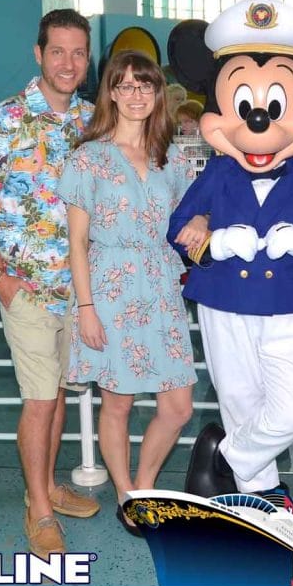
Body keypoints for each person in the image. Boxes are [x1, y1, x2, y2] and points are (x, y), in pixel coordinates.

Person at [166, 0, 293, 521]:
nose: (258, 121)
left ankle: (224, 459)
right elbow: (177, 229)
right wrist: (210, 241)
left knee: (292, 412)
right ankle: (261, 499)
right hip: (226, 302)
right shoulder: (216, 174)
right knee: (240, 405)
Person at [0, 8, 101, 559]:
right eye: (58, 51)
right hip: (25, 285)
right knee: (40, 400)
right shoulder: (8, 119)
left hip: (78, 286)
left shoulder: (93, 119)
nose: (68, 63)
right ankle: (39, 509)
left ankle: (45, 485)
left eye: (78, 53)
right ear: (38, 54)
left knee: (60, 394)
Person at [57, 50, 196, 537]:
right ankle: (126, 494)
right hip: (110, 288)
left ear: (158, 93)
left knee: (178, 405)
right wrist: (87, 308)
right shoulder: (87, 158)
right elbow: (76, 241)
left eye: (146, 85)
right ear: (111, 93)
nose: (136, 94)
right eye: (126, 85)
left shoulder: (171, 158)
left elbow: (190, 216)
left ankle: (144, 484)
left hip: (160, 287)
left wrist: (200, 221)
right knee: (117, 403)